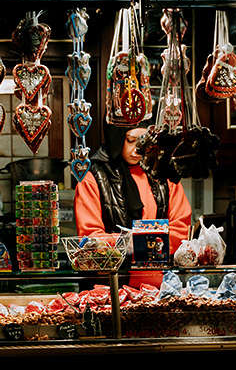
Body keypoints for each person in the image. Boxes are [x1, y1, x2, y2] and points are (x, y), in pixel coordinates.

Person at [74, 120, 192, 287]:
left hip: (159, 288)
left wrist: (135, 243)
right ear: (116, 138)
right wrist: (132, 243)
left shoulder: (165, 175)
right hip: (108, 288)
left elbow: (181, 230)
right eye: (130, 140)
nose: (137, 148)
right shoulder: (92, 178)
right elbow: (89, 238)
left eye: (144, 140)